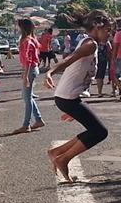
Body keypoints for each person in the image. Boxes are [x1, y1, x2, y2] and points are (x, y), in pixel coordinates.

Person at [45, 10, 111, 182]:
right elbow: (69, 59)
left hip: (69, 97)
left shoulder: (89, 42)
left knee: (95, 130)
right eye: (107, 30)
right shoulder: (91, 45)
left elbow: (81, 76)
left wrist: (76, 106)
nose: (109, 35)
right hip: (67, 97)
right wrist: (50, 72)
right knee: (100, 132)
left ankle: (57, 153)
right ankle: (63, 158)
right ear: (98, 27)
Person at [14, 18, 45, 134]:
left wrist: (25, 75)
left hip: (30, 69)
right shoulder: (31, 39)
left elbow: (28, 60)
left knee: (27, 98)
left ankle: (26, 124)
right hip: (31, 69)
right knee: (27, 96)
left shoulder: (26, 41)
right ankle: (38, 119)